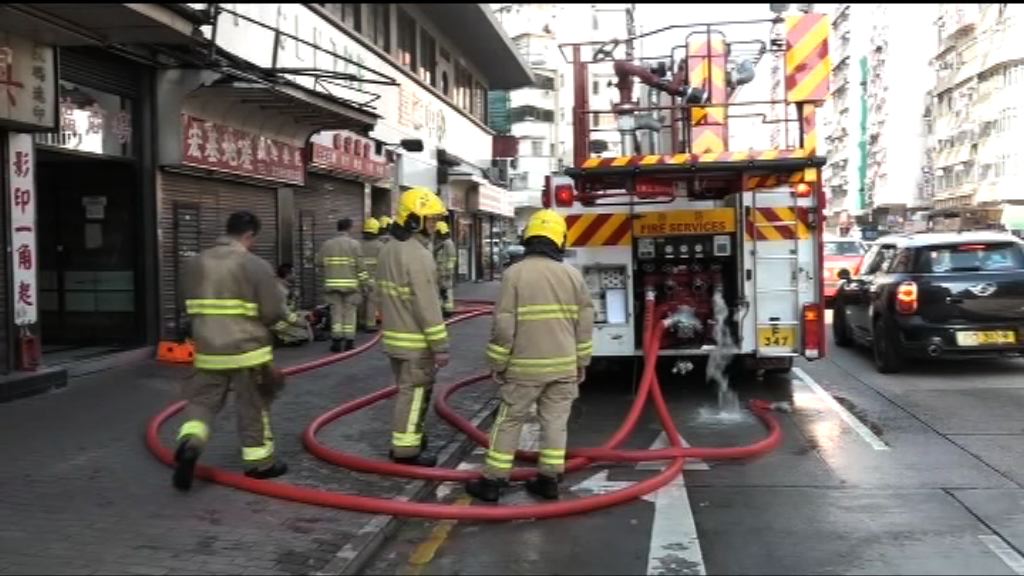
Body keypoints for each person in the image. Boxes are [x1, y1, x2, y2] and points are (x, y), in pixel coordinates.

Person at [465, 209, 595, 502]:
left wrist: (497, 362)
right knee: (555, 422)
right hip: (563, 366)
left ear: (529, 238)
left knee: (509, 421)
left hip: (524, 368)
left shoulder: (514, 274)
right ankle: (549, 479)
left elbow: (504, 324)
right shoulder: (572, 276)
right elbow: (585, 324)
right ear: (559, 240)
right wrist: (582, 362)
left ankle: (493, 482)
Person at [173, 211, 289, 491]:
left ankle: (191, 442)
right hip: (249, 352)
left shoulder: (194, 264)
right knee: (253, 406)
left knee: (201, 402)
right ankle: (259, 464)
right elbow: (273, 312)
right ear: (249, 235)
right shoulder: (255, 265)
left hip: (208, 350)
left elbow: (184, 304)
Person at [377, 188, 450, 467]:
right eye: (429, 220)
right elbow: (427, 305)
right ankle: (406, 450)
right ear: (413, 220)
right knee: (415, 392)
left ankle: (411, 437)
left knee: (406, 391)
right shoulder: (417, 255)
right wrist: (440, 347)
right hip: (415, 342)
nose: (433, 225)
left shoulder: (389, 249)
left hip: (395, 338)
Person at [320, 218, 368, 352]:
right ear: (349, 228)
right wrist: (366, 284)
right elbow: (361, 268)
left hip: (331, 286)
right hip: (351, 286)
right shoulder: (354, 245)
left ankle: (336, 341)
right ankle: (349, 342)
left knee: (336, 313)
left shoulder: (327, 244)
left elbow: (318, 262)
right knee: (350, 313)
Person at [270, 263, 313, 346]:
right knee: (302, 335)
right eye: (294, 273)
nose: (295, 276)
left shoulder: (283, 287)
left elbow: (290, 309)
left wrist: (303, 314)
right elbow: (285, 313)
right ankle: (277, 338)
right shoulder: (279, 291)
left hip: (283, 321)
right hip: (277, 324)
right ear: (287, 275)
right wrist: (301, 323)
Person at [359, 217, 385, 333]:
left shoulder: (358, 244)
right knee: (372, 302)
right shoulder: (380, 246)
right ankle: (370, 324)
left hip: (360, 277)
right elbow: (382, 264)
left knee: (361, 301)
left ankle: (361, 321)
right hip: (374, 278)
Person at [433, 221, 457, 317]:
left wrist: (449, 272)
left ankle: (448, 310)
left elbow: (452, 258)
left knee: (446, 291)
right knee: (441, 292)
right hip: (441, 272)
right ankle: (443, 309)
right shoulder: (443, 243)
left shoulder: (448, 243)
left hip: (445, 273)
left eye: (437, 232)